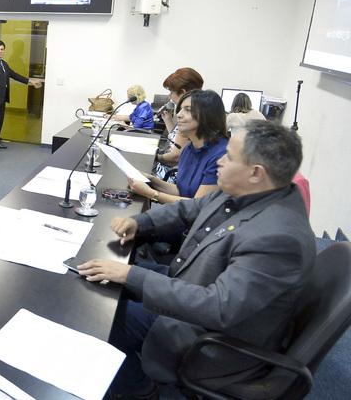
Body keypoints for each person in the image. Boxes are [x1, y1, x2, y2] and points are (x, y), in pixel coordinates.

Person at [77, 121, 315, 399]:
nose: (220, 161)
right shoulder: (245, 191)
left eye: (229, 157)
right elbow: (186, 210)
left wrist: (130, 275)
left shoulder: (278, 237)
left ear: (256, 173)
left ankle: (139, 391)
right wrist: (139, 223)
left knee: (99, 318)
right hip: (192, 285)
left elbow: (218, 308)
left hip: (211, 339)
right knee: (103, 280)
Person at [128, 89, 228, 204]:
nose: (179, 115)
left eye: (188, 110)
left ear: (208, 115)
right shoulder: (189, 149)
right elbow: (181, 191)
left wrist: (151, 193)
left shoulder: (221, 157)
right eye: (180, 109)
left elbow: (198, 206)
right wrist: (152, 180)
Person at [0, 40, 42, 156]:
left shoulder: (4, 64)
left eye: (2, 49)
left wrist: (30, 81)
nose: (0, 51)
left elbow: (15, 75)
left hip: (2, 98)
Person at [154, 67, 204, 180]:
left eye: (171, 92)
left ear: (183, 92)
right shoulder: (197, 109)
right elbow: (177, 140)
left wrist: (154, 157)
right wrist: (167, 119)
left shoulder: (191, 117)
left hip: (174, 175)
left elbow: (176, 157)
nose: (170, 97)